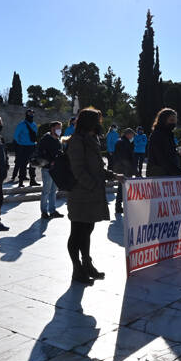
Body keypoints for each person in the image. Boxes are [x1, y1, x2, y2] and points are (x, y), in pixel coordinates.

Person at [66, 107, 120, 285]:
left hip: (92, 193)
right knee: (77, 232)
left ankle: (87, 264)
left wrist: (111, 175)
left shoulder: (92, 139)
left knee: (87, 231)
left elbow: (96, 167)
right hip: (81, 194)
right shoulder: (77, 140)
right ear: (89, 122)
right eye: (97, 120)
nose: (100, 123)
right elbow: (77, 169)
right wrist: (93, 185)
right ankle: (77, 269)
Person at [147, 108, 181, 177]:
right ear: (163, 120)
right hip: (159, 175)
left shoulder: (169, 134)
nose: (174, 123)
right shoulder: (157, 134)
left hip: (169, 173)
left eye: (175, 120)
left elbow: (168, 153)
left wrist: (177, 152)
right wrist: (179, 172)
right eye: (171, 120)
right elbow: (161, 157)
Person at [37, 121, 64, 219]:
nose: (59, 130)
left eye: (60, 128)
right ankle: (44, 211)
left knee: (53, 191)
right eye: (58, 128)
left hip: (56, 169)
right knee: (46, 191)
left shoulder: (58, 140)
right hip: (47, 169)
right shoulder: (46, 139)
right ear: (52, 128)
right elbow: (41, 152)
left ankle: (52, 210)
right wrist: (50, 160)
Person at [12, 109, 39, 187]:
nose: (31, 115)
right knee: (23, 164)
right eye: (29, 113)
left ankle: (33, 180)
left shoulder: (34, 124)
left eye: (32, 113)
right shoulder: (21, 124)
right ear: (26, 114)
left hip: (32, 146)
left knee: (33, 164)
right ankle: (21, 181)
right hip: (23, 147)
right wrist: (20, 143)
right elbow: (16, 136)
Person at [112, 128, 136, 213]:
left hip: (122, 168)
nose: (133, 137)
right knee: (122, 188)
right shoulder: (124, 143)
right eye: (132, 135)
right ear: (128, 134)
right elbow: (124, 158)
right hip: (124, 169)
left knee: (122, 188)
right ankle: (118, 207)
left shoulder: (122, 141)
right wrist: (130, 169)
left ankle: (119, 206)